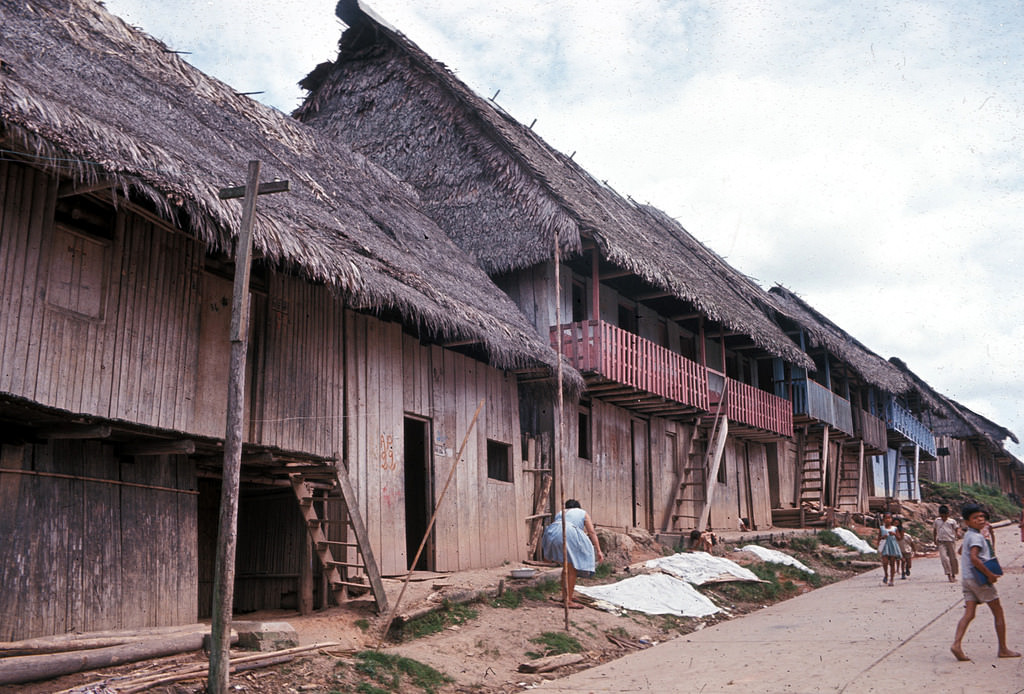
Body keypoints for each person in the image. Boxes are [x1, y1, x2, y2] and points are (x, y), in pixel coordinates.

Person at [950, 503, 1020, 661]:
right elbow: (974, 558)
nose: (980, 519)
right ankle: (1003, 649)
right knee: (998, 611)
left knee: (969, 613)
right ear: (967, 522)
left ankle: (956, 644)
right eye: (975, 518)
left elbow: (962, 551)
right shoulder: (977, 537)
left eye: (982, 516)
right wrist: (989, 574)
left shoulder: (969, 535)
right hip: (979, 580)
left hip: (967, 579)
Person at [541, 499, 604, 609]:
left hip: (552, 532)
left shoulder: (561, 513)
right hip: (568, 532)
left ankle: (567, 596)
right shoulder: (582, 512)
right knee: (572, 569)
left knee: (566, 567)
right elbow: (592, 532)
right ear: (578, 507)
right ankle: (568, 600)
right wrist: (598, 550)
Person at [933, 504, 960, 582]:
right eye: (942, 516)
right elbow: (934, 530)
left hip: (951, 541)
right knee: (944, 558)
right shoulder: (937, 521)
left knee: (953, 558)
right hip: (941, 541)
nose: (944, 517)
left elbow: (956, 529)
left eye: (945, 515)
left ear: (948, 514)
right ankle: (948, 575)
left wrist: (957, 535)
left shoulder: (952, 521)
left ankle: (954, 574)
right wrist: (934, 539)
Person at [877, 512, 901, 586]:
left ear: (891, 519)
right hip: (885, 545)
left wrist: (894, 534)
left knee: (892, 563)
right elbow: (878, 539)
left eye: (889, 518)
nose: (888, 520)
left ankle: (892, 579)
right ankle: (886, 575)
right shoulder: (881, 528)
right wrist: (882, 538)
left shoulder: (894, 528)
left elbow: (899, 538)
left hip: (892, 546)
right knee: (885, 562)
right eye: (886, 518)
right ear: (883, 519)